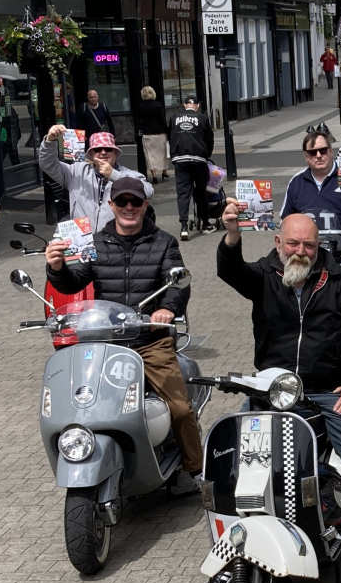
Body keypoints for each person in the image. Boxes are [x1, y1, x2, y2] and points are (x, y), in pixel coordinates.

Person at [214, 208, 341, 583]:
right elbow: (230, 271)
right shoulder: (264, 275)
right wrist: (231, 234)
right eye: (292, 243)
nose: (300, 251)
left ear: (318, 245)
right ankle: (231, 556)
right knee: (233, 467)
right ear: (278, 243)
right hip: (271, 388)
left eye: (308, 244)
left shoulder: (339, 280)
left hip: (327, 390)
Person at [44, 176, 201, 492]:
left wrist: (167, 309)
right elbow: (74, 282)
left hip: (149, 341)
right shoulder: (96, 244)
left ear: (145, 205)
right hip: (106, 342)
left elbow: (179, 284)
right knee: (82, 400)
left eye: (136, 201)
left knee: (180, 408)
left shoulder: (164, 242)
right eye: (123, 201)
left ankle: (193, 469)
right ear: (111, 205)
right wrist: (57, 267)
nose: (129, 207)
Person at [280, 129, 341, 285]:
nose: (318, 155)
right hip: (308, 254)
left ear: (331, 152)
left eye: (323, 150)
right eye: (313, 153)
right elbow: (286, 220)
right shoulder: (296, 182)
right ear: (306, 157)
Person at [40, 126, 153, 232]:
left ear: (115, 153)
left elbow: (148, 191)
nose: (103, 152)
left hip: (115, 240)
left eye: (108, 149)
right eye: (98, 149)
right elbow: (48, 164)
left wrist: (114, 175)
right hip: (84, 240)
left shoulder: (128, 174)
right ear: (91, 154)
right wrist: (50, 141)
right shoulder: (76, 171)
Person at [167, 94, 214, 240]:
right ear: (198, 105)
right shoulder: (203, 118)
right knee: (201, 192)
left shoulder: (174, 118)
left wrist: (174, 155)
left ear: (184, 104)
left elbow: (170, 136)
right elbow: (209, 139)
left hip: (180, 160)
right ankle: (205, 223)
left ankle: (184, 227)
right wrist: (206, 155)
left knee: (183, 193)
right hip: (199, 159)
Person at [136, 86, 169, 184]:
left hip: (147, 133)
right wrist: (167, 130)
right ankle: (164, 171)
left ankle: (154, 176)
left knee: (150, 156)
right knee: (163, 153)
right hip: (160, 132)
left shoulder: (140, 106)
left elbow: (139, 121)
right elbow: (162, 119)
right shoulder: (158, 105)